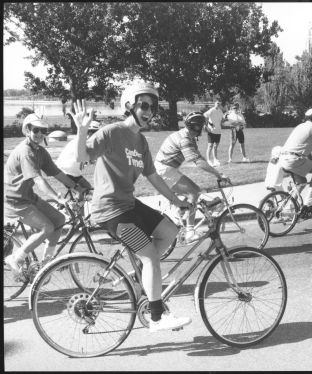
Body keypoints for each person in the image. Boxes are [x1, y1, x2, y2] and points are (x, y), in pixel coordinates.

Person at [73, 82, 194, 332]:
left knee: (169, 232)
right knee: (151, 257)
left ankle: (142, 281)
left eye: (153, 107)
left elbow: (155, 178)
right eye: (144, 105)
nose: (149, 111)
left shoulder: (141, 142)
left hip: (128, 204)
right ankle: (157, 317)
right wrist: (82, 131)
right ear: (130, 105)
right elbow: (83, 157)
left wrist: (178, 201)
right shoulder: (112, 133)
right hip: (110, 210)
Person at [4, 113, 82, 275]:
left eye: (43, 130)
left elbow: (57, 173)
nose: (39, 134)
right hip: (14, 200)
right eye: (36, 130)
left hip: (28, 196)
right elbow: (39, 180)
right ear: (27, 130)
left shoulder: (40, 151)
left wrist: (76, 187)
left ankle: (46, 264)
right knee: (47, 227)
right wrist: (57, 197)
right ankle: (15, 258)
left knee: (60, 220)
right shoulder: (26, 152)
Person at [155, 111, 230, 243]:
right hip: (165, 170)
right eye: (202, 126)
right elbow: (198, 162)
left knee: (191, 193)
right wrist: (218, 174)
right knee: (194, 191)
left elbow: (199, 157)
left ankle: (180, 215)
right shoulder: (185, 139)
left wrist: (215, 172)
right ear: (197, 127)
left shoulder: (188, 136)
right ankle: (190, 232)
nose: (203, 129)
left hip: (166, 169)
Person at [203, 101, 224, 167]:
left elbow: (222, 120)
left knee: (215, 146)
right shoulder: (212, 110)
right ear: (214, 104)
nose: (218, 104)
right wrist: (206, 125)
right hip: (211, 131)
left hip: (218, 131)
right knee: (210, 146)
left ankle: (215, 160)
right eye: (217, 103)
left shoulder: (220, 111)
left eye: (219, 103)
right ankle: (208, 161)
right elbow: (204, 115)